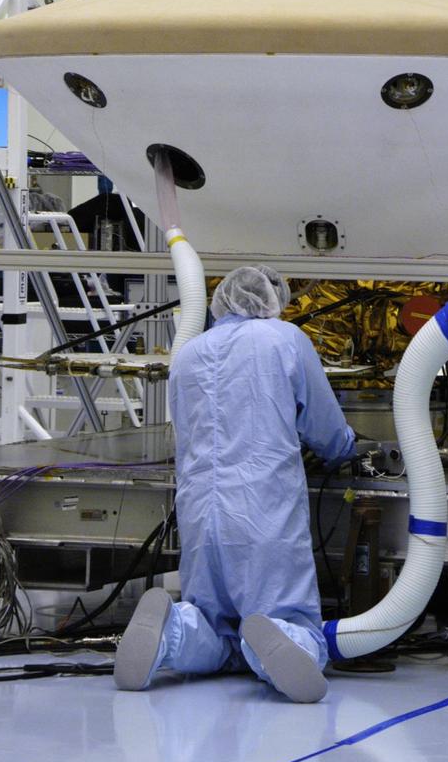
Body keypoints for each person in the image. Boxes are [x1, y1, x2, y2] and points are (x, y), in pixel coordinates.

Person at [114, 264, 358, 702]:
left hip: (199, 513)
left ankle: (173, 631)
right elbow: (324, 425)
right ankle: (281, 636)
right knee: (284, 612)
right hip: (263, 510)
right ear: (273, 299)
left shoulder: (188, 354)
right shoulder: (284, 339)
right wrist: (345, 449)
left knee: (213, 626)